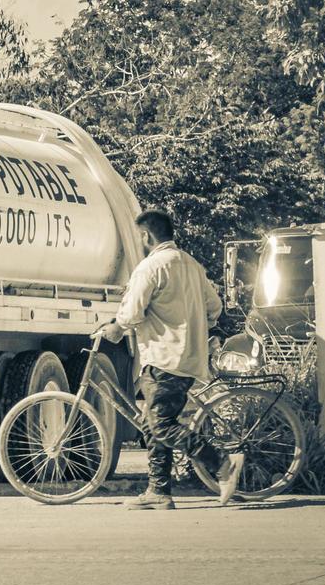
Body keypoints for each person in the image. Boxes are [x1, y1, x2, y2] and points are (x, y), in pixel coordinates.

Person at [94, 209, 245, 509]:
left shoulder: (150, 268)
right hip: (188, 358)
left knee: (161, 425)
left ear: (146, 236)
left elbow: (132, 313)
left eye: (140, 237)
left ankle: (222, 462)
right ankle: (159, 491)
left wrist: (115, 328)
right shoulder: (191, 265)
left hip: (164, 358)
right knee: (152, 424)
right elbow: (214, 308)